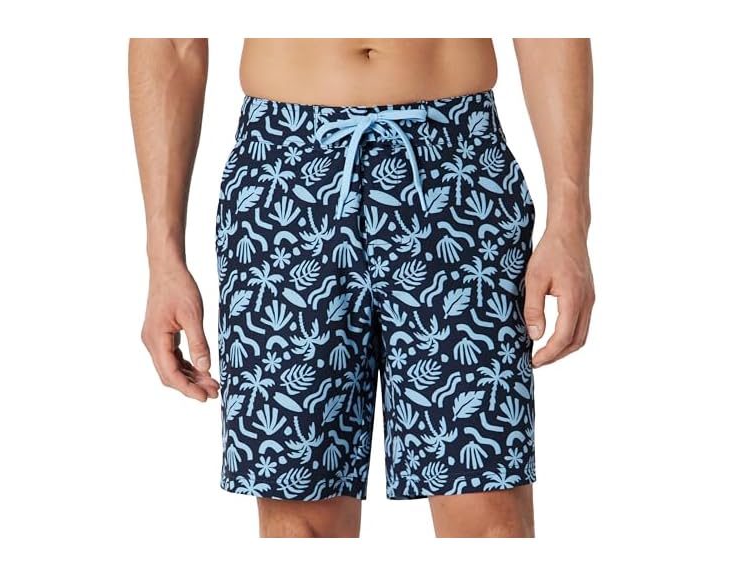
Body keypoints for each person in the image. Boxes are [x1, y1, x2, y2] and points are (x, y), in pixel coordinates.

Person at [129, 38, 594, 538]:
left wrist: (570, 220)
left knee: (489, 515)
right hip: (287, 176)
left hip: (455, 167)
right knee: (300, 523)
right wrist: (163, 257)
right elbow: (172, 38)